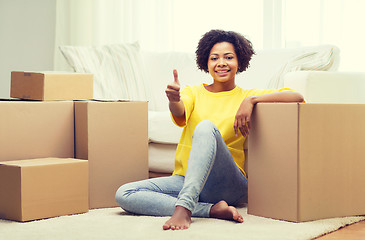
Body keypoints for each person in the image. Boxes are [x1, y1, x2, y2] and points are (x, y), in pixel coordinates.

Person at [115, 29, 304, 230]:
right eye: (214, 58)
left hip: (228, 184)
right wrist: (173, 100)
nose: (221, 63)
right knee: (124, 194)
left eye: (228, 57)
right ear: (206, 63)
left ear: (239, 62)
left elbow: (297, 96)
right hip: (187, 180)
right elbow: (179, 112)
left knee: (205, 127)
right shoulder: (193, 92)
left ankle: (184, 209)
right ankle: (211, 210)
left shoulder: (247, 95)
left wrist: (252, 100)